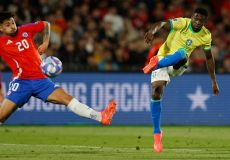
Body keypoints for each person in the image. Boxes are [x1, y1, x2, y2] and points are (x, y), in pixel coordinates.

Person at [0, 11, 117, 125]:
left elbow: (46, 24)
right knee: (2, 116)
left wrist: (45, 42)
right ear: (1, 28)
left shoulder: (25, 30)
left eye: (13, 22)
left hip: (41, 79)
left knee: (67, 98)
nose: (12, 26)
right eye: (7, 25)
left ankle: (101, 116)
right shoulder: (1, 42)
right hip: (22, 82)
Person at [143, 8, 219, 153]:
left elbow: (209, 58)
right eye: (195, 18)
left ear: (204, 22)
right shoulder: (183, 23)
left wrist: (213, 81)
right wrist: (152, 31)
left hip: (178, 65)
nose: (196, 22)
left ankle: (156, 64)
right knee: (156, 92)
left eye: (200, 20)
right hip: (162, 57)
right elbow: (162, 23)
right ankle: (157, 134)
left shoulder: (205, 36)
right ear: (192, 17)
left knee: (183, 53)